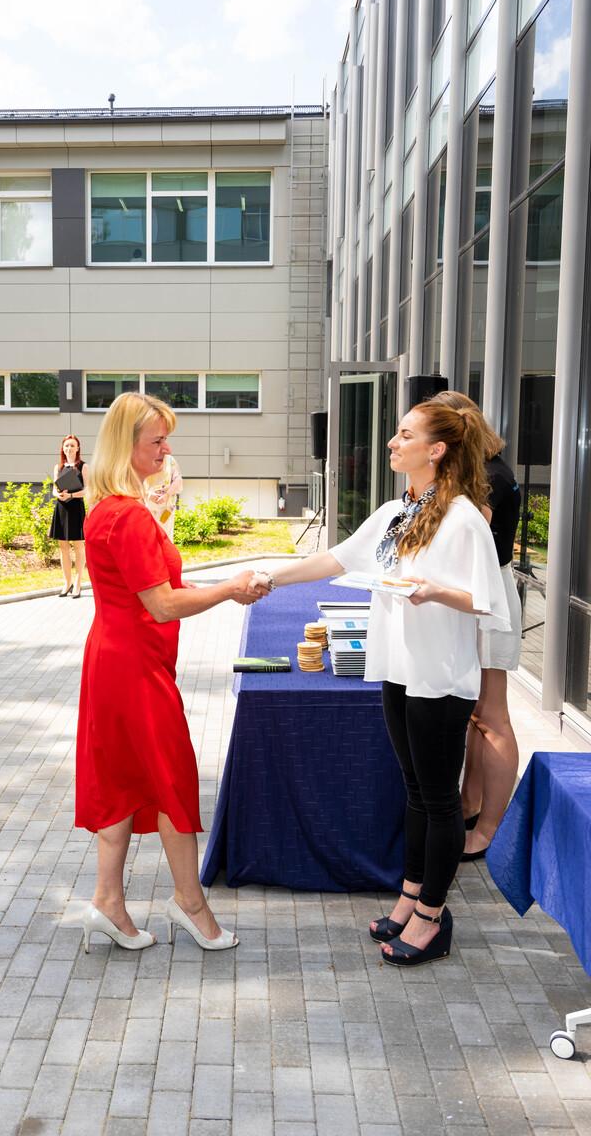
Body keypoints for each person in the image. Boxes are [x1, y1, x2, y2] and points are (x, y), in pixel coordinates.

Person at [250, 402, 510, 966]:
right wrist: (269, 576)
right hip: (397, 667)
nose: (392, 442)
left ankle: (433, 918)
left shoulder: (464, 517)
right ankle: (411, 896)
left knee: (439, 800)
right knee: (415, 791)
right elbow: (335, 560)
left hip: (439, 675)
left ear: (436, 450)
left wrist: (433, 591)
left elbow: (488, 601)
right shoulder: (397, 510)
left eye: (404, 435)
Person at [75, 391, 263, 952]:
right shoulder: (129, 516)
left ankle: (108, 902)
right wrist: (229, 588)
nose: (165, 449)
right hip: (134, 667)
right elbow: (161, 604)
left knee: (122, 779)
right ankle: (190, 904)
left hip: (112, 659)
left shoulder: (106, 508)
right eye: (156, 440)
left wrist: (210, 586)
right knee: (172, 778)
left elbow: (147, 591)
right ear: (126, 444)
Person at [431, 390, 522, 861]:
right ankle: (471, 806)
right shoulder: (485, 471)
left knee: (492, 718)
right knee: (477, 715)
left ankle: (489, 829)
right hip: (480, 597)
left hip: (490, 600)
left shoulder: (490, 478)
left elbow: (466, 542)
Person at [50, 435, 88, 598]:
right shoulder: (58, 467)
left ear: (78, 448)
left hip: (76, 508)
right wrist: (58, 495)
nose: (69, 448)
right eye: (66, 446)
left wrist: (71, 495)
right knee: (63, 547)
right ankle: (67, 583)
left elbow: (87, 490)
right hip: (61, 508)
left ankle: (78, 584)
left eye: (72, 445)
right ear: (62, 448)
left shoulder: (83, 466)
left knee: (78, 546)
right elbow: (54, 488)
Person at [144, 452, 183, 539]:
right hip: (148, 505)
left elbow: (178, 479)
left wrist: (167, 495)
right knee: (148, 535)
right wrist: (148, 494)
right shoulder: (143, 458)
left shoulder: (169, 460)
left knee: (165, 536)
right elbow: (134, 481)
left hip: (166, 506)